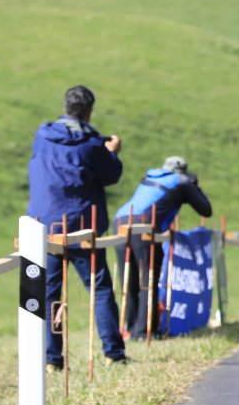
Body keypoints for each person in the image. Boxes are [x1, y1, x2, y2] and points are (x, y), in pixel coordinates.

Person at [26, 85, 128, 368]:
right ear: (89, 111)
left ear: (66, 106)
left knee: (49, 293)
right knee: (100, 288)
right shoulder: (92, 144)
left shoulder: (42, 136)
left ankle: (52, 359)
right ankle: (113, 354)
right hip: (82, 226)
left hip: (46, 226)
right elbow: (111, 175)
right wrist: (113, 152)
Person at [114, 156, 213, 340]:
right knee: (148, 280)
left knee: (129, 279)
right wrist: (195, 187)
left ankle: (130, 328)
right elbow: (206, 210)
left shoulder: (151, 177)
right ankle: (144, 332)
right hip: (142, 225)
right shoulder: (181, 181)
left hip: (120, 220)